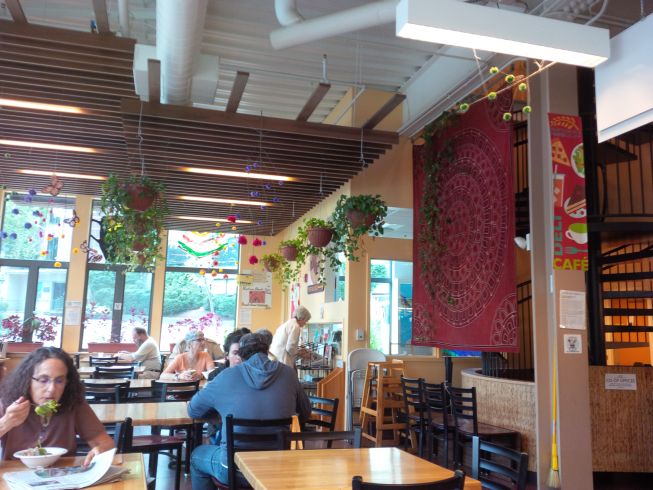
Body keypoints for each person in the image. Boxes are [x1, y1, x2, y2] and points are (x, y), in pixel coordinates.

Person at [188, 332, 311, 489]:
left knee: (197, 456)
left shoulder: (226, 376)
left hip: (234, 470)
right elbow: (305, 413)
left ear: (241, 355)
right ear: (267, 350)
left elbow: (193, 410)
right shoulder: (289, 374)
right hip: (277, 467)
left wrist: (219, 414)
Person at [0, 347, 114, 465]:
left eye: (59, 381)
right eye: (43, 380)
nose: (51, 389)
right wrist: (6, 422)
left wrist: (100, 451)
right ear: (28, 380)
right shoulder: (8, 403)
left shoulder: (73, 403)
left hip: (63, 472)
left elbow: (105, 444)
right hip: (15, 472)